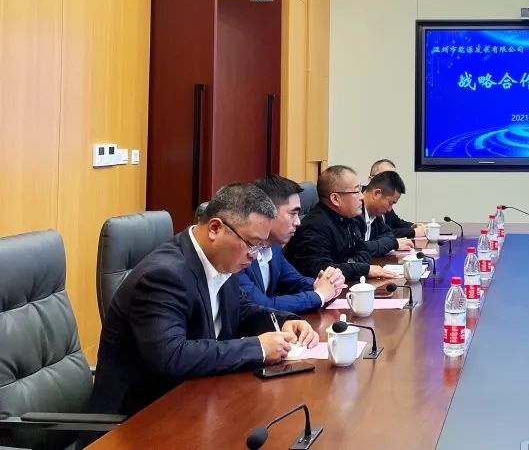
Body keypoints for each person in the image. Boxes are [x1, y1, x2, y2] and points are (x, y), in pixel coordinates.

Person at [89, 183, 318, 416]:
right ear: (215, 229)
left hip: (200, 396)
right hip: (142, 416)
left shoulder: (221, 258)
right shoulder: (162, 275)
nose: (254, 255)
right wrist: (258, 348)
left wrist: (283, 321)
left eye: (261, 245)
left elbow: (240, 309)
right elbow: (172, 356)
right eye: (252, 243)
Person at [236, 175, 346, 313]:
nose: (298, 222)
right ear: (265, 213)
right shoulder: (237, 252)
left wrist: (326, 283)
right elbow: (262, 305)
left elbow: (294, 281)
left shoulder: (274, 247)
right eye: (292, 214)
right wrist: (319, 296)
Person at [285, 165, 409, 280]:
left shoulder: (348, 218)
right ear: (335, 199)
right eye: (356, 191)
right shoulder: (314, 227)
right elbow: (322, 271)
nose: (362, 197)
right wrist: (362, 269)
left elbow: (363, 251)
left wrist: (347, 266)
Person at [367, 158, 425, 240]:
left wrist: (413, 226)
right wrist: (414, 232)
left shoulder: (385, 202)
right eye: (385, 177)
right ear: (371, 180)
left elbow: (395, 223)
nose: (390, 183)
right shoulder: (363, 204)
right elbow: (381, 235)